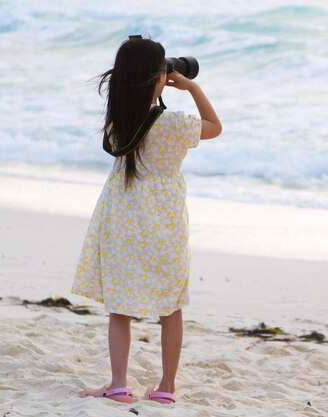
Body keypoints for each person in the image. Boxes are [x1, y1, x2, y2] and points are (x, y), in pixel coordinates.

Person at [71, 37, 222, 404]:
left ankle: (119, 384)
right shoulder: (173, 123)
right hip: (164, 225)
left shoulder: (117, 122)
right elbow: (214, 126)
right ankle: (166, 388)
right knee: (170, 306)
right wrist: (191, 86)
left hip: (121, 220)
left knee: (120, 307)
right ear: (159, 78)